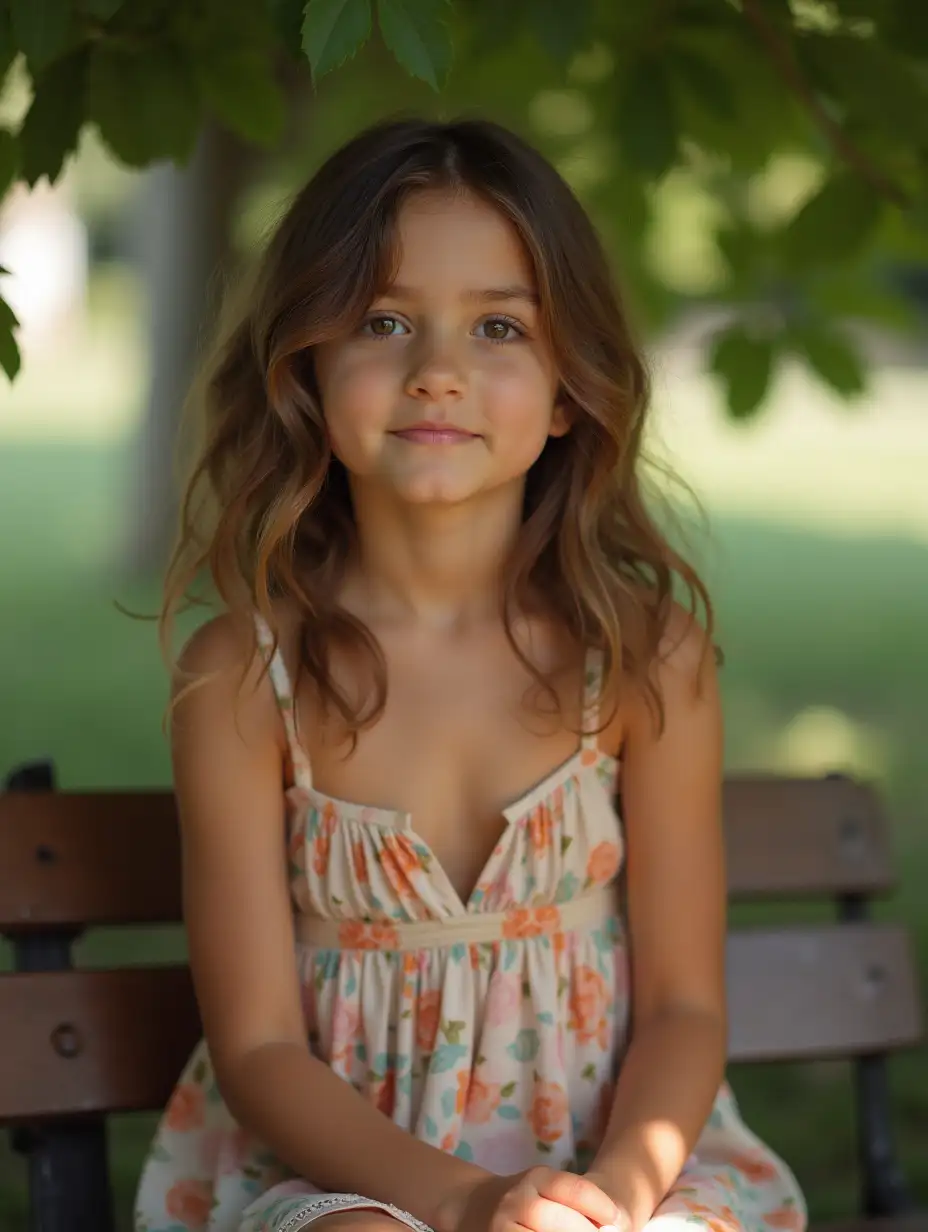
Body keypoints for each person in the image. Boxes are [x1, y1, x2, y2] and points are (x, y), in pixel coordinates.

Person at [135, 116, 805, 1232]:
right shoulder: (248, 681)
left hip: (618, 1161)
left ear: (565, 393)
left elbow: (685, 1005)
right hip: (341, 1176)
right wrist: (468, 1198)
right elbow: (255, 1047)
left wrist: (609, 1201)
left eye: (498, 325)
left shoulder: (642, 660)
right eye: (384, 320)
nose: (437, 370)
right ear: (306, 366)